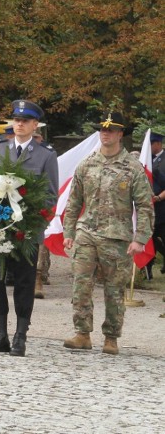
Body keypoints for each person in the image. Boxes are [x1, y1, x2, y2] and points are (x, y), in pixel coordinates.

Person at [62, 112, 154, 355]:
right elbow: (73, 202)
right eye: (102, 129)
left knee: (114, 290)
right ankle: (82, 333)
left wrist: (140, 239)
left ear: (120, 134)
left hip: (117, 237)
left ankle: (111, 337)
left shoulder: (133, 168)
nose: (105, 133)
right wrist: (68, 232)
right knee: (81, 285)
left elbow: (145, 206)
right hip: (86, 233)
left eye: (111, 129)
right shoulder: (87, 164)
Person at [0, 100, 58, 357]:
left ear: (36, 125)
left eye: (25, 120)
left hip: (26, 230)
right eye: (16, 119)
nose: (20, 124)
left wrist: (33, 224)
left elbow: (50, 196)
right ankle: (0, 334)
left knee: (25, 282)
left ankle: (20, 335)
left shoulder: (46, 154)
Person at [147, 132, 164, 278]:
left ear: (158, 144)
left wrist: (158, 197)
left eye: (150, 144)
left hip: (162, 208)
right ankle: (147, 270)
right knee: (148, 238)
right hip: (149, 209)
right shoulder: (147, 160)